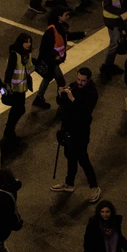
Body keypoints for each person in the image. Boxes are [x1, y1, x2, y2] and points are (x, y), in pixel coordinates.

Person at [51, 67, 102, 203]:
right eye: (78, 79)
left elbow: (85, 113)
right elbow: (63, 104)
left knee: (83, 159)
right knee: (70, 156)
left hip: (81, 131)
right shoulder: (74, 86)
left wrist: (73, 98)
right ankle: (69, 183)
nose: (79, 82)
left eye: (82, 81)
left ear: (89, 80)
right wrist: (60, 94)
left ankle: (94, 186)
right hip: (69, 129)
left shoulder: (92, 93)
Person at [1, 33, 34, 143]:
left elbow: (29, 67)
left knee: (18, 109)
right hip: (14, 89)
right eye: (26, 42)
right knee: (19, 109)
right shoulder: (14, 55)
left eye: (29, 41)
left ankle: (9, 130)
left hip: (21, 88)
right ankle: (9, 131)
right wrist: (7, 85)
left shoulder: (27, 54)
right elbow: (9, 71)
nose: (28, 44)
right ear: (21, 43)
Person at [101, 0, 127, 79]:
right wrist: (122, 13)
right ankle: (107, 67)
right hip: (113, 21)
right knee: (114, 44)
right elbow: (106, 6)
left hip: (124, 19)